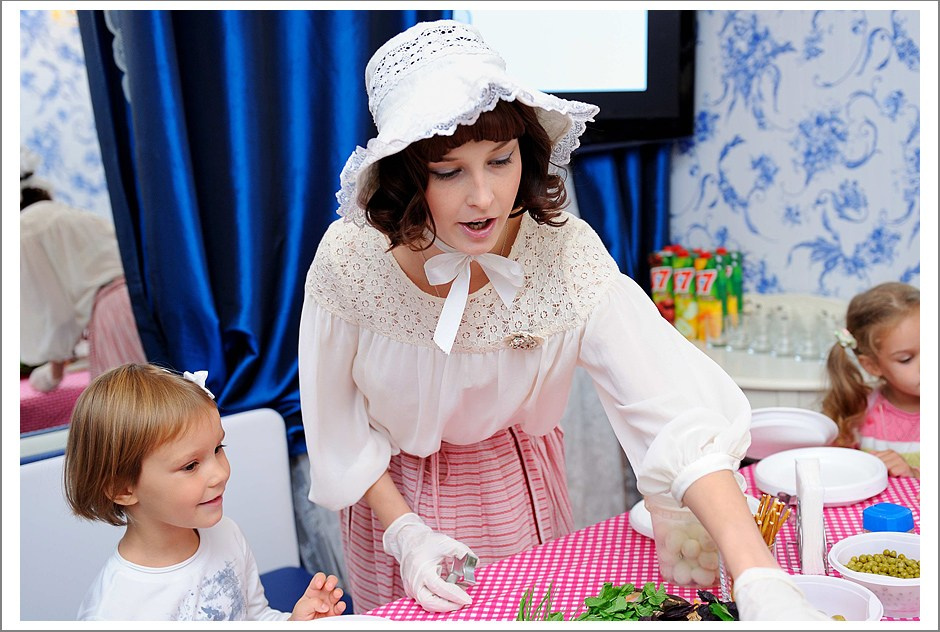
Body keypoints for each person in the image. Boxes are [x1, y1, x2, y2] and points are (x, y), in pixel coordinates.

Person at [298, 19, 828, 620]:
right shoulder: (351, 261)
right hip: (392, 499)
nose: (484, 197)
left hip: (515, 483)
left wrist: (758, 576)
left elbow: (674, 411)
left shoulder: (564, 253)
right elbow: (338, 427)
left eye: (501, 160)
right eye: (449, 171)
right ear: (404, 175)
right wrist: (405, 533)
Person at [64, 363, 348, 620]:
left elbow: (256, 617)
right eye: (190, 466)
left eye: (218, 449)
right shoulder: (114, 612)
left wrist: (296, 623)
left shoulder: (227, 533)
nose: (220, 473)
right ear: (122, 489)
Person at [20, 147, 147, 392]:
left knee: (135, 404)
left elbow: (56, 313)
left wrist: (54, 371)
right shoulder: (67, 214)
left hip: (116, 313)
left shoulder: (25, 230)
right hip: (144, 297)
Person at [822, 282, 920, 478]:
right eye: (906, 359)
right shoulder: (858, 411)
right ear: (872, 365)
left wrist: (914, 474)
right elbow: (835, 472)